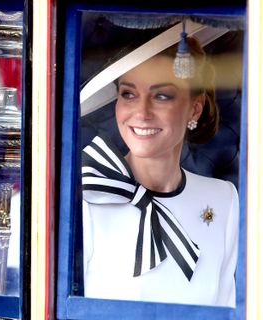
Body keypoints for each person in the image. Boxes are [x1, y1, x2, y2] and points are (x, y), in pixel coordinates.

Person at [81, 22, 239, 307]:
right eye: (128, 94)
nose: (141, 113)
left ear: (194, 107)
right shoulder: (88, 195)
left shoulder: (224, 199)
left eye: (162, 96)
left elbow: (227, 307)